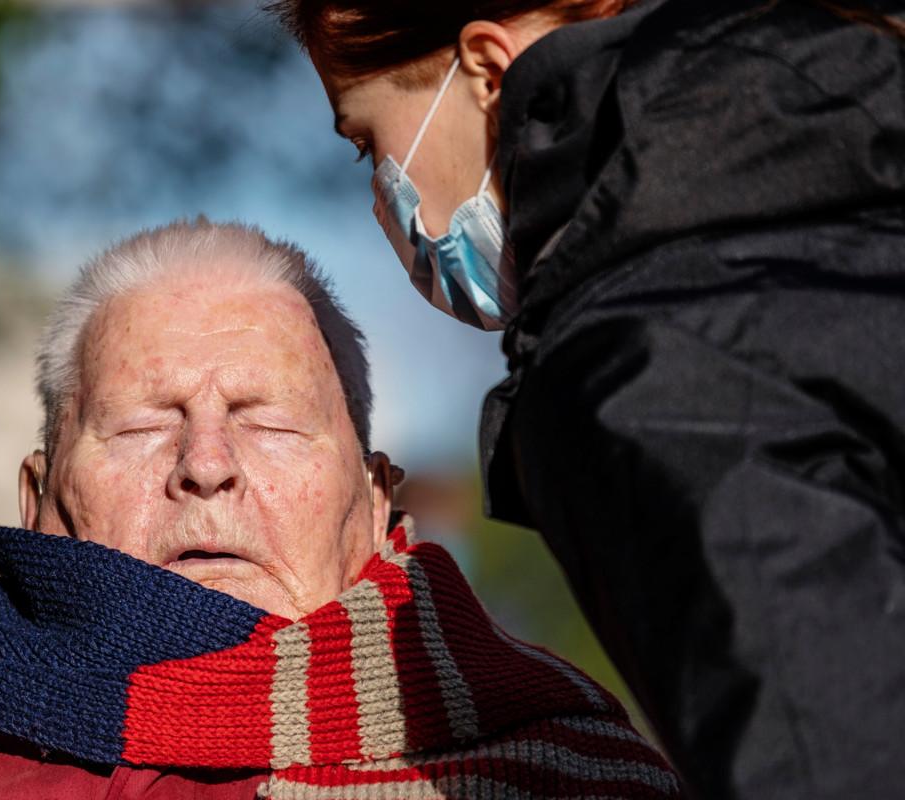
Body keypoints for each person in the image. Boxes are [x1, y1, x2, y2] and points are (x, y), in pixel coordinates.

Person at [0, 220, 679, 800]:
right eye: (141, 427)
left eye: (270, 425)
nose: (206, 468)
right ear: (37, 499)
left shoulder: (562, 763)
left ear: (378, 502)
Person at [267, 0, 905, 797]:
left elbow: (821, 754)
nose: (379, 202)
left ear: (488, 70)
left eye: (366, 142)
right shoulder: (851, 158)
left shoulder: (644, 357)